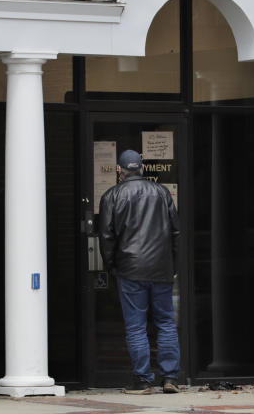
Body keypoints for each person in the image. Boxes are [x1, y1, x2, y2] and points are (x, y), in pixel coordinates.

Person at [99, 149, 181, 395]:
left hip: (130, 269)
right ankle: (170, 379)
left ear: (119, 171)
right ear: (142, 168)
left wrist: (111, 265)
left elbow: (106, 237)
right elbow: (175, 232)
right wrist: (173, 265)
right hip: (161, 268)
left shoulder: (112, 195)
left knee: (136, 327)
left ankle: (143, 380)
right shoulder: (162, 192)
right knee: (166, 322)